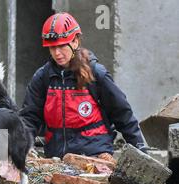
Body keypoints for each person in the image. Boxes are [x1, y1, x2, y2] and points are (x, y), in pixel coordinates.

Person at [20, 12, 147, 160]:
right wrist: (24, 145)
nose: (57, 53)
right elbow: (29, 117)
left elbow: (122, 114)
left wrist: (141, 152)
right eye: (52, 48)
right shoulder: (42, 77)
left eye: (61, 46)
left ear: (75, 42)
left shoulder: (97, 74)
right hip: (56, 159)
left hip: (96, 156)